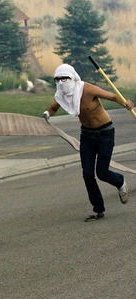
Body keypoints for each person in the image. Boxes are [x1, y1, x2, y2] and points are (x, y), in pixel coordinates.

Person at [43, 63, 133, 221]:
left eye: (64, 79)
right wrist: (46, 114)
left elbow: (112, 96)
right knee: (87, 174)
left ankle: (120, 181)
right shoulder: (63, 94)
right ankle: (98, 209)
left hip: (105, 132)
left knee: (102, 173)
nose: (61, 83)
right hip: (87, 135)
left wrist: (126, 103)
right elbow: (53, 106)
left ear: (72, 77)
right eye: (57, 80)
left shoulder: (87, 89)